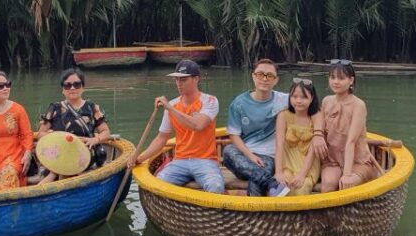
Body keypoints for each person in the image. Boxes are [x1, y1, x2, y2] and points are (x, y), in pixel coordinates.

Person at [128, 60, 225, 194]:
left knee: (216, 187)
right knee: (157, 185)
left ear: (196, 79)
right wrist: (138, 158)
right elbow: (162, 138)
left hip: (205, 161)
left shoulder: (210, 101)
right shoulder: (172, 105)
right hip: (180, 161)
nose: (179, 84)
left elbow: (197, 125)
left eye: (183, 80)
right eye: (177, 80)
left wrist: (169, 108)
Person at [222, 59, 290, 196]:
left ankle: (254, 216)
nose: (264, 79)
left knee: (257, 179)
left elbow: (312, 104)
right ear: (253, 76)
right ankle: (271, 184)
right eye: (260, 74)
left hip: (269, 157)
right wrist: (250, 155)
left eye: (269, 76)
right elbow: (234, 135)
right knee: (228, 150)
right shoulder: (239, 103)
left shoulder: (285, 100)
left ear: (276, 80)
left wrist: (318, 133)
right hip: (245, 157)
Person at [37, 68, 111, 183]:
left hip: (85, 152)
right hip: (60, 153)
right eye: (67, 85)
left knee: (61, 169)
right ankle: (49, 181)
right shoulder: (54, 108)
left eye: (76, 84)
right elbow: (41, 133)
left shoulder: (92, 107)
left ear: (83, 87)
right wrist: (54, 137)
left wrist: (95, 140)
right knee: (58, 164)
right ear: (63, 89)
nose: (72, 88)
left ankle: (55, 177)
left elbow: (106, 132)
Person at [316, 60, 378, 192]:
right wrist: (318, 135)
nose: (335, 82)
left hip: (357, 161)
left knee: (346, 185)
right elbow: (319, 129)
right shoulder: (327, 101)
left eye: (341, 78)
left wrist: (347, 174)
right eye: (332, 77)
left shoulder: (358, 105)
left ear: (351, 80)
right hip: (333, 160)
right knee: (328, 185)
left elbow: (351, 141)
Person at [270, 77, 322, 196]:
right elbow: (279, 144)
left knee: (302, 187)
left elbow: (313, 151)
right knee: (280, 188)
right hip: (287, 163)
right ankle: (279, 214)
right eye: (294, 96)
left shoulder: (315, 117)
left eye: (303, 97)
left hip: (308, 165)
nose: (298, 101)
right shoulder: (283, 115)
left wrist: (302, 174)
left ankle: (300, 215)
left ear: (312, 98)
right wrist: (278, 171)